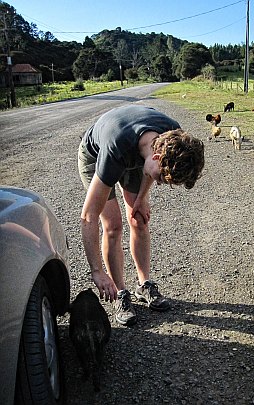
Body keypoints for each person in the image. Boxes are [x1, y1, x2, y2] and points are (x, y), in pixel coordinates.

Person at [78, 104, 204, 326]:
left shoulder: (173, 138)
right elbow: (88, 216)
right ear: (156, 157)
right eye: (163, 180)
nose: (163, 184)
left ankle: (144, 284)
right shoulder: (116, 146)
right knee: (113, 225)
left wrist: (142, 199)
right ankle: (121, 293)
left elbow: (151, 167)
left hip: (137, 153)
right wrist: (96, 271)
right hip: (97, 154)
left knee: (139, 220)